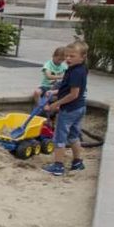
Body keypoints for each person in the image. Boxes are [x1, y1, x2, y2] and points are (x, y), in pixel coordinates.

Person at [42, 41, 88, 176]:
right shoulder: (79, 69)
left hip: (69, 110)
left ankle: (58, 166)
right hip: (79, 108)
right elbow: (69, 88)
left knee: (59, 138)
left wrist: (56, 104)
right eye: (67, 56)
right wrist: (55, 92)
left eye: (72, 56)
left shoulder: (75, 72)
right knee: (73, 136)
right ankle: (77, 162)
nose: (68, 59)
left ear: (83, 57)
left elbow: (74, 94)